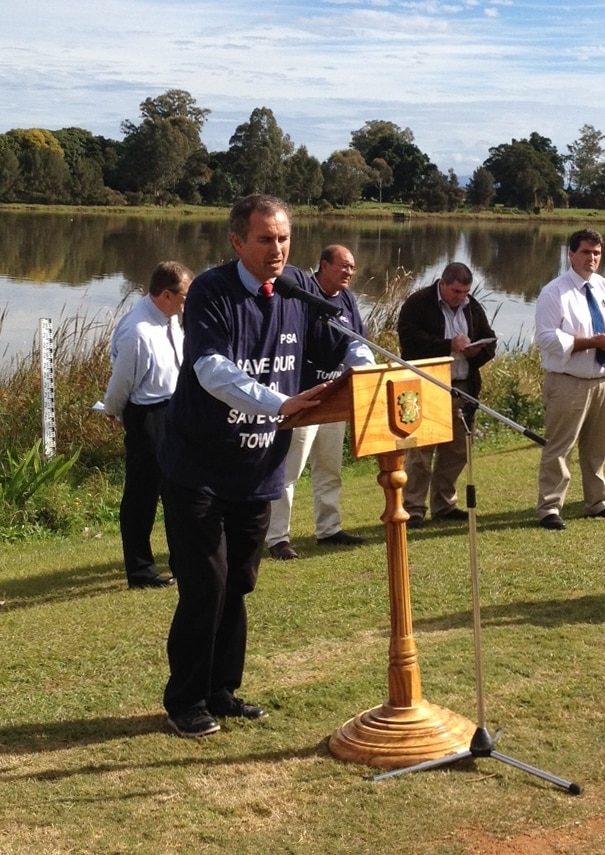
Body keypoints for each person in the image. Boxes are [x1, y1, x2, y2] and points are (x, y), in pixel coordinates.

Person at [157, 194, 375, 737]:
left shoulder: (299, 290)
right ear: (237, 241)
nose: (277, 249)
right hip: (199, 470)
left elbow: (337, 348)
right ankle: (185, 701)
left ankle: (221, 691)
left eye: (283, 238)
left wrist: (364, 367)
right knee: (205, 585)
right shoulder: (211, 290)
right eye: (264, 239)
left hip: (259, 471)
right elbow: (210, 368)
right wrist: (278, 404)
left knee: (241, 584)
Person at [265, 244, 373, 560]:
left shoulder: (349, 300)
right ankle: (277, 538)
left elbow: (357, 342)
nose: (349, 272)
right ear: (323, 265)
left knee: (329, 468)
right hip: (303, 397)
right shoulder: (302, 293)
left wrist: (364, 369)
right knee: (290, 470)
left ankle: (329, 529)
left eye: (353, 267)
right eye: (344, 265)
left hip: (335, 397)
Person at [535, 228, 605, 530]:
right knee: (559, 448)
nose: (591, 258)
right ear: (570, 254)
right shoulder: (554, 292)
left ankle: (598, 502)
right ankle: (550, 508)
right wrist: (590, 342)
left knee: (597, 448)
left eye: (596, 253)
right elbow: (546, 338)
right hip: (569, 381)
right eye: (585, 252)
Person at [103, 260, 193, 589]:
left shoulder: (171, 319)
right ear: (166, 294)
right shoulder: (138, 330)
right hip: (148, 415)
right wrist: (115, 411)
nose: (190, 302)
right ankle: (140, 571)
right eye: (186, 295)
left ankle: (183, 562)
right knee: (142, 495)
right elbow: (121, 383)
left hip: (175, 409)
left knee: (179, 491)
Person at [397, 262, 497, 527]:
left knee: (457, 451)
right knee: (419, 451)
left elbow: (490, 339)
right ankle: (414, 507)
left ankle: (444, 504)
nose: (460, 297)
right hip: (426, 386)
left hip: (463, 386)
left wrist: (479, 350)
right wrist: (448, 345)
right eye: (456, 291)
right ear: (442, 283)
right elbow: (409, 342)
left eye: (465, 292)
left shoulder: (472, 306)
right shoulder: (418, 303)